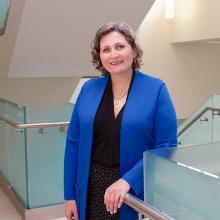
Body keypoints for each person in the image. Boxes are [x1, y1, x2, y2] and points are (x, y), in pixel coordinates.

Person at [64, 22, 177, 220]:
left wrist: (128, 181)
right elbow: (73, 144)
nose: (113, 54)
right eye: (106, 49)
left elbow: (166, 146)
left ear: (133, 50)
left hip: (131, 191)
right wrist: (69, 196)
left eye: (120, 46)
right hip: (90, 187)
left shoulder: (156, 89)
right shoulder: (89, 89)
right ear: (99, 56)